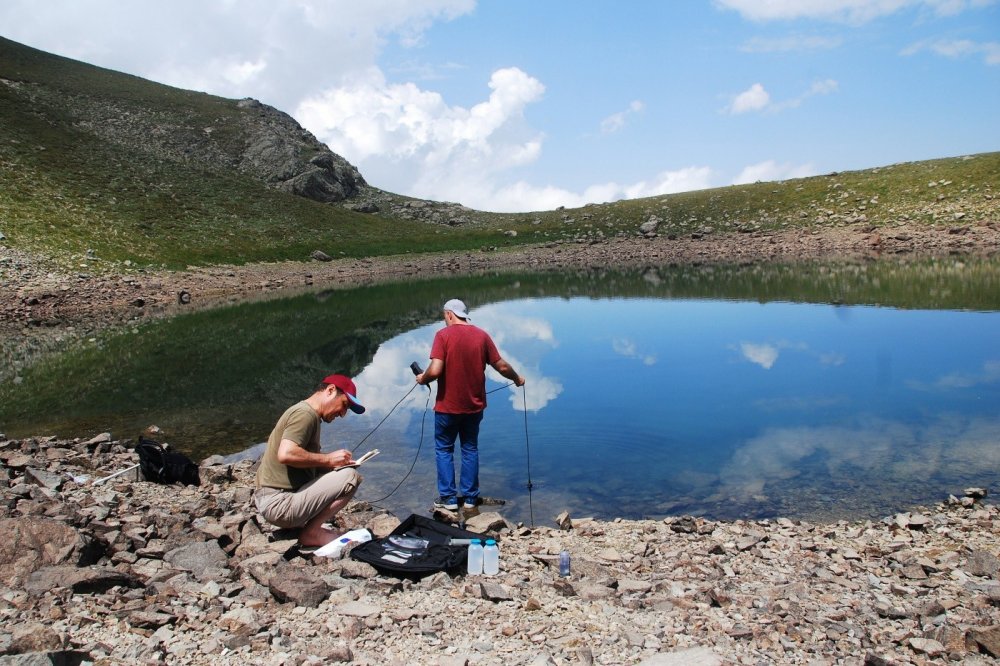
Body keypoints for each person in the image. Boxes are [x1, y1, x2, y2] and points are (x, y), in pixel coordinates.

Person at [415, 299, 525, 511]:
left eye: (444, 316)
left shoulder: (442, 336)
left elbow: (435, 369)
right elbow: (501, 366)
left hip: (447, 407)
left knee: (444, 449)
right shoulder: (481, 335)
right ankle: (470, 498)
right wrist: (517, 378)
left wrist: (423, 378)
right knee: (469, 448)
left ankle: (448, 499)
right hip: (474, 407)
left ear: (449, 314)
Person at [254, 374, 366, 547]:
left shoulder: (308, 414)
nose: (343, 414)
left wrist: (335, 465)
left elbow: (305, 463)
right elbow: (286, 454)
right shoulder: (305, 414)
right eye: (344, 405)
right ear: (330, 390)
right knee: (351, 477)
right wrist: (329, 459)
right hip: (278, 505)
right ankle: (311, 533)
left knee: (345, 471)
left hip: (273, 500)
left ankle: (307, 528)